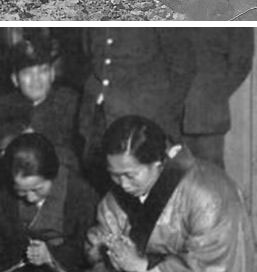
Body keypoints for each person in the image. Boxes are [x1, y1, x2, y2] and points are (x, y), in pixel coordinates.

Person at [84, 116, 255, 272]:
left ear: (159, 162)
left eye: (130, 175)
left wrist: (140, 264)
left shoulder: (208, 193)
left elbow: (208, 271)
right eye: (115, 175)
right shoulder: (125, 192)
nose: (122, 184)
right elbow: (105, 235)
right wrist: (102, 248)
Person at [0, 133, 97, 272]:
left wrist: (50, 256)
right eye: (21, 191)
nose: (30, 198)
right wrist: (22, 255)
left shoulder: (79, 193)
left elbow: (87, 246)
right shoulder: (4, 196)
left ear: (52, 175)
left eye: (37, 189)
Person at [79, 28, 195, 191]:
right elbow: (90, 56)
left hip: (145, 124)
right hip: (99, 121)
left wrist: (162, 117)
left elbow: (182, 66)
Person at [0, 35, 80, 173]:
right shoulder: (4, 106)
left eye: (43, 70)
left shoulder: (71, 103)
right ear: (15, 79)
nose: (36, 79)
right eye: (27, 73)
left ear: (52, 74)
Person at [181, 28, 255, 168]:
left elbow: (241, 63)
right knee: (169, 179)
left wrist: (213, 96)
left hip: (208, 117)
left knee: (212, 180)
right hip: (167, 115)